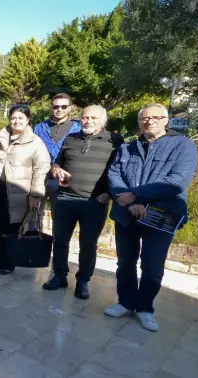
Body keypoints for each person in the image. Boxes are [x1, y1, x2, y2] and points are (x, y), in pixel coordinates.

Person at [104, 104, 197, 332]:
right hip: (127, 213)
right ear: (139, 122)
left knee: (153, 265)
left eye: (156, 117)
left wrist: (138, 196)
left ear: (166, 120)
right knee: (125, 262)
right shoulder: (127, 148)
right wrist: (131, 202)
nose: (150, 121)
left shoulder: (183, 146)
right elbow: (114, 175)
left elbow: (177, 181)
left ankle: (145, 308)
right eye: (144, 118)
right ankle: (126, 302)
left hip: (161, 215)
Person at [44, 105, 123, 299]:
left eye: (93, 118)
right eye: (85, 117)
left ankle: (82, 281)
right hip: (65, 198)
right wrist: (56, 169)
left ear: (103, 120)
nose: (88, 121)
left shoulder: (115, 141)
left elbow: (121, 171)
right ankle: (59, 276)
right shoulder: (71, 138)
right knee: (60, 240)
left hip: (94, 202)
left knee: (88, 244)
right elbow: (57, 162)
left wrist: (109, 194)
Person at [0, 104, 51, 275]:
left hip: (18, 195)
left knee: (11, 230)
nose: (17, 121)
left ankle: (7, 263)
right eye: (13, 118)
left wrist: (35, 195)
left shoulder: (35, 143)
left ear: (28, 120)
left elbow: (41, 170)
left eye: (21, 118)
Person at [33, 93, 81, 218]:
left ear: (70, 108)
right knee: (33, 216)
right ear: (51, 108)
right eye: (56, 107)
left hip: (64, 180)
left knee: (60, 218)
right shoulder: (39, 128)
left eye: (64, 106)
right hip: (40, 178)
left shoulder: (78, 129)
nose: (59, 109)